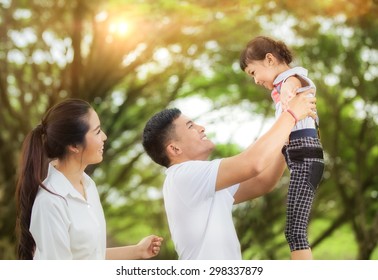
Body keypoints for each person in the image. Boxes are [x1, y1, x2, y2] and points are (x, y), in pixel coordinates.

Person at [142, 90, 317, 259]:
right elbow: (253, 163)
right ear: (174, 148)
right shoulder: (182, 176)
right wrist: (291, 114)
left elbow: (262, 182)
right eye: (191, 126)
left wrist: (286, 137)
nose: (201, 127)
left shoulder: (202, 182)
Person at [15, 98, 163, 260]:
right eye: (97, 131)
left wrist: (137, 251)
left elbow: (90, 257)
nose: (104, 137)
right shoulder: (50, 202)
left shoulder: (88, 185)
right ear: (74, 146)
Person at [239, 36, 325, 260]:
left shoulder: (292, 79)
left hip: (305, 157)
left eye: (253, 72)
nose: (255, 80)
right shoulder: (281, 87)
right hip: (301, 158)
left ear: (269, 59)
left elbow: (294, 82)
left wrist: (288, 92)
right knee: (294, 231)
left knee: (295, 232)